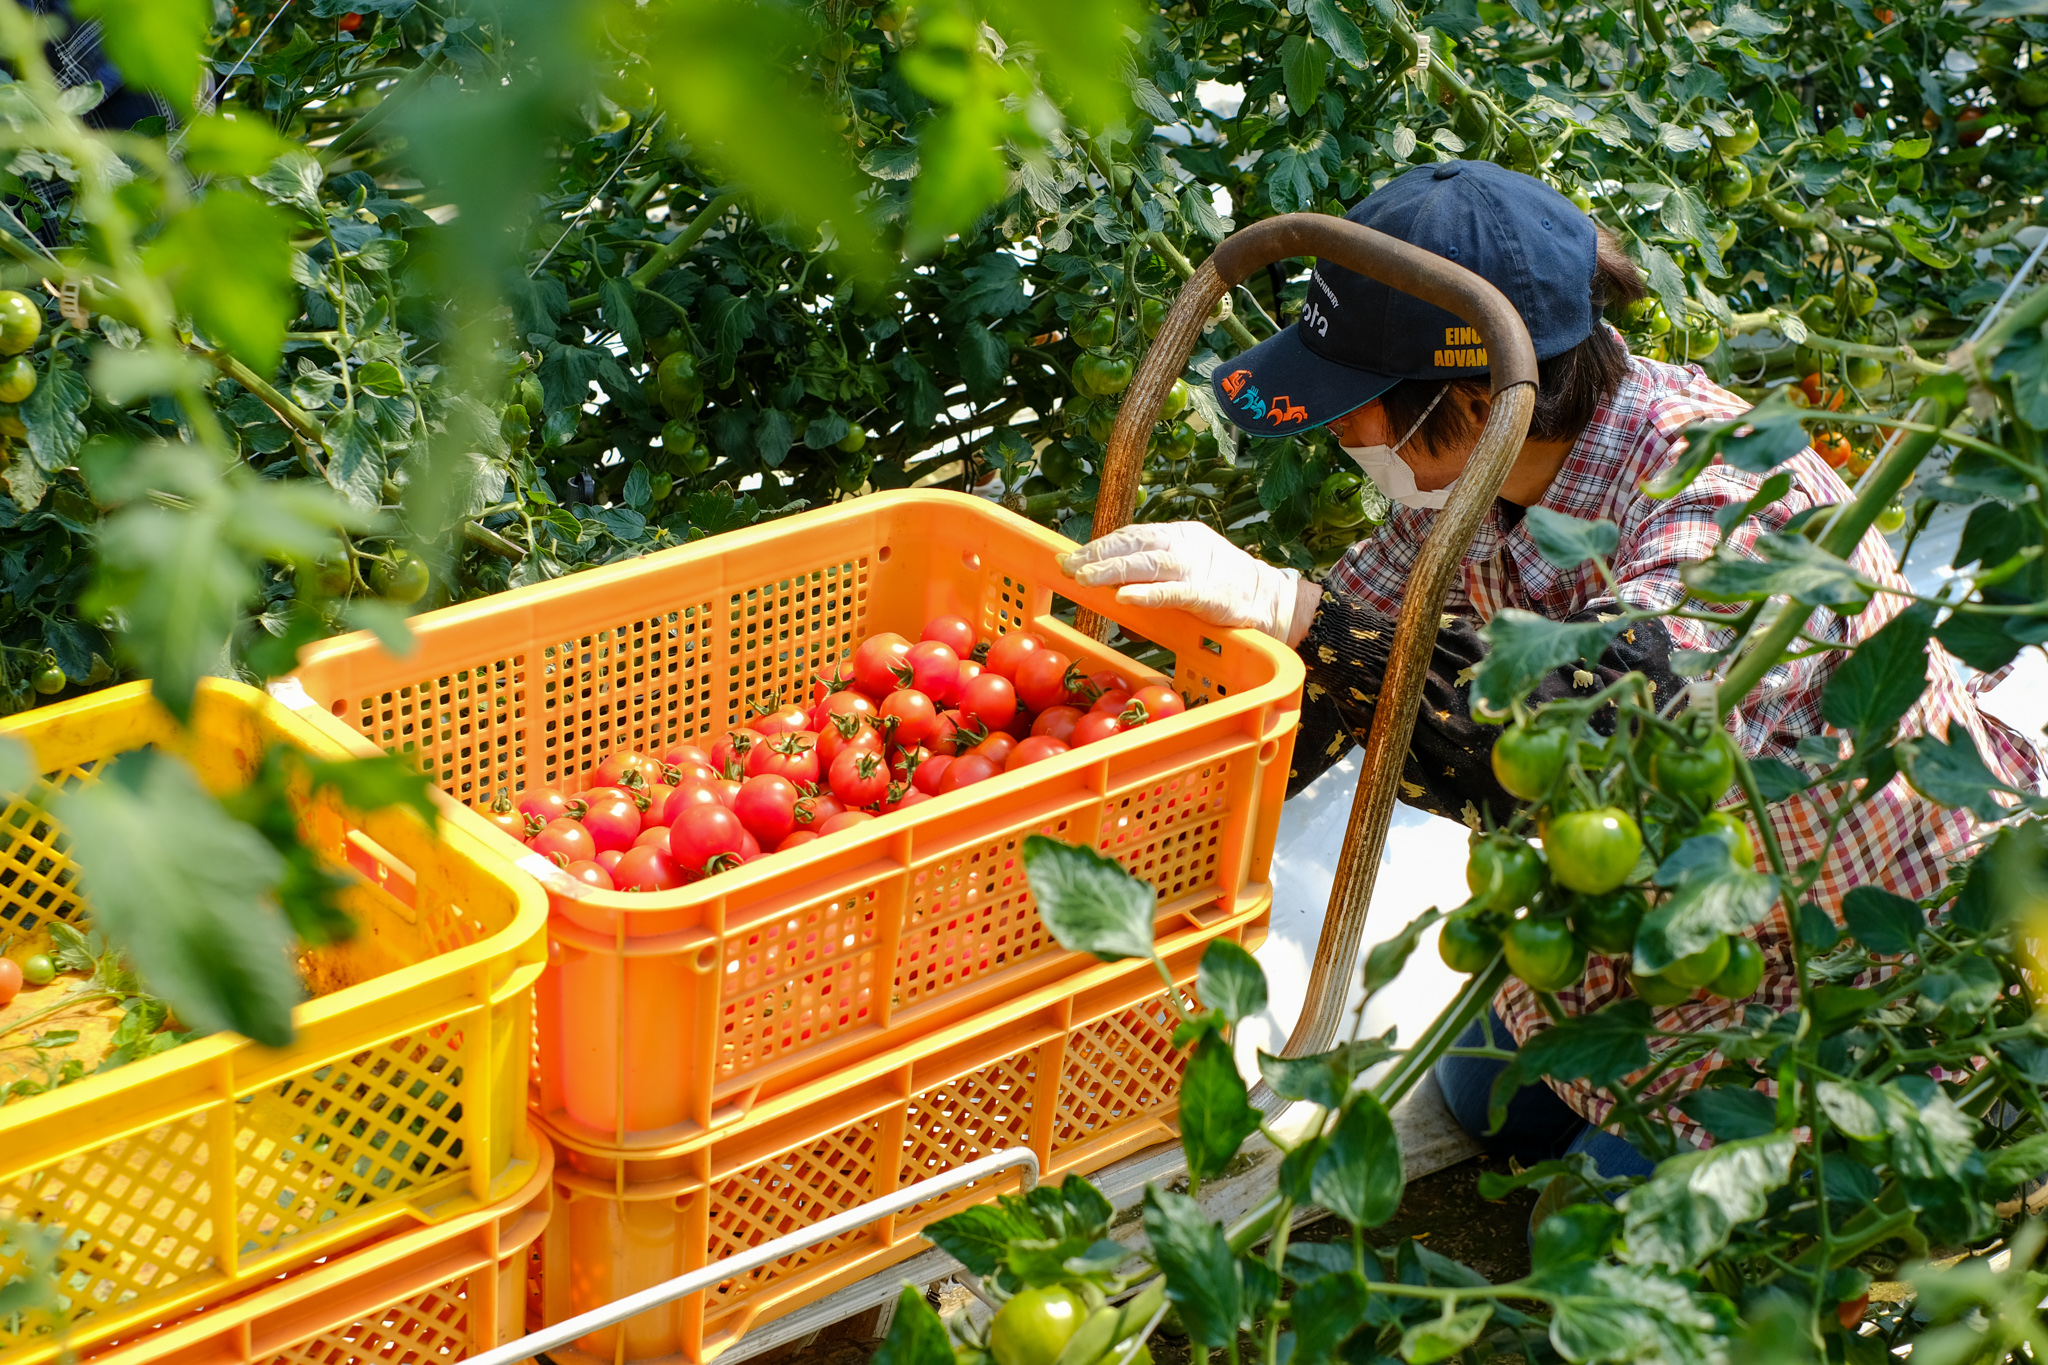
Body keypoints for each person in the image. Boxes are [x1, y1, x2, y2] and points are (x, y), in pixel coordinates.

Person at [1058, 160, 2042, 1177]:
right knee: (1484, 1100)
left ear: (1480, 397)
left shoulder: (1722, 489)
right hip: (1636, 909)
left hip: (1835, 929)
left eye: (1362, 403)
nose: (1338, 431)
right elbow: (1340, 663)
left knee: (1622, 1224)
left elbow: (1601, 737)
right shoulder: (1480, 472)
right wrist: (1134, 810)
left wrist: (1294, 613)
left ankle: (1943, 1095)